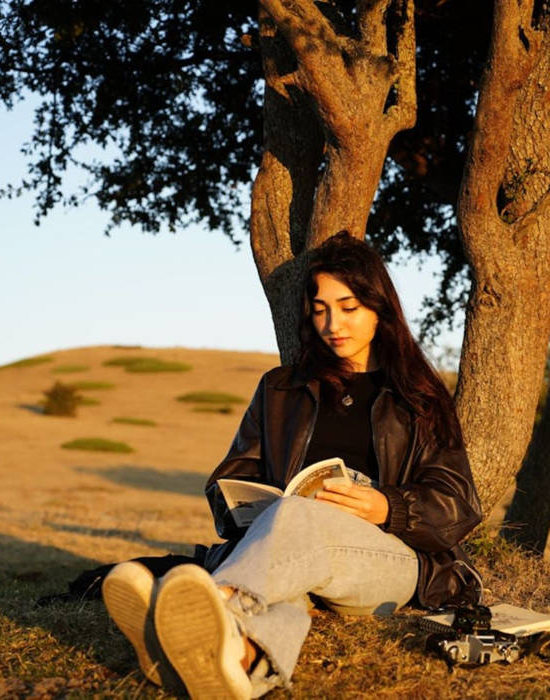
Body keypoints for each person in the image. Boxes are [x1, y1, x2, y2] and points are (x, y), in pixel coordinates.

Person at [102, 232, 482, 699]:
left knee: (299, 516)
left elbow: (459, 503)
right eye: (320, 308)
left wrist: (388, 507)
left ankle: (208, 609)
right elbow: (229, 480)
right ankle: (241, 661)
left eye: (348, 307)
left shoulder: (419, 395)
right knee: (290, 544)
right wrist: (256, 511)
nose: (332, 323)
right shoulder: (281, 388)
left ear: (379, 308)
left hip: (389, 562)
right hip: (289, 559)